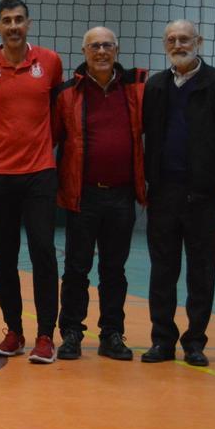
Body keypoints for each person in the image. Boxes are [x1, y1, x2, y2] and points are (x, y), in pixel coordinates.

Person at [140, 20, 215, 367]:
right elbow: (147, 139)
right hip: (164, 195)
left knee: (201, 272)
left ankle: (195, 342)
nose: (178, 44)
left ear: (198, 42)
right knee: (162, 271)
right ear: (164, 45)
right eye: (171, 39)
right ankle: (162, 341)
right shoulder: (156, 86)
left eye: (184, 39)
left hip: (205, 196)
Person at [0, 0, 64, 364]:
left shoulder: (49, 62)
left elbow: (58, 109)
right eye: (6, 20)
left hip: (40, 173)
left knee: (43, 252)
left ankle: (44, 336)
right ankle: (14, 331)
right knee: (4, 257)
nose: (13, 26)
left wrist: (40, 140)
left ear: (29, 23)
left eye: (19, 19)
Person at [52, 27, 147, 362]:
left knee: (114, 270)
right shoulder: (67, 93)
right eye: (94, 46)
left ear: (117, 50)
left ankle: (111, 334)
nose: (101, 51)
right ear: (84, 51)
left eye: (107, 45)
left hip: (122, 197)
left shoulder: (137, 89)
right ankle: (72, 334)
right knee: (76, 268)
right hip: (83, 196)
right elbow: (51, 139)